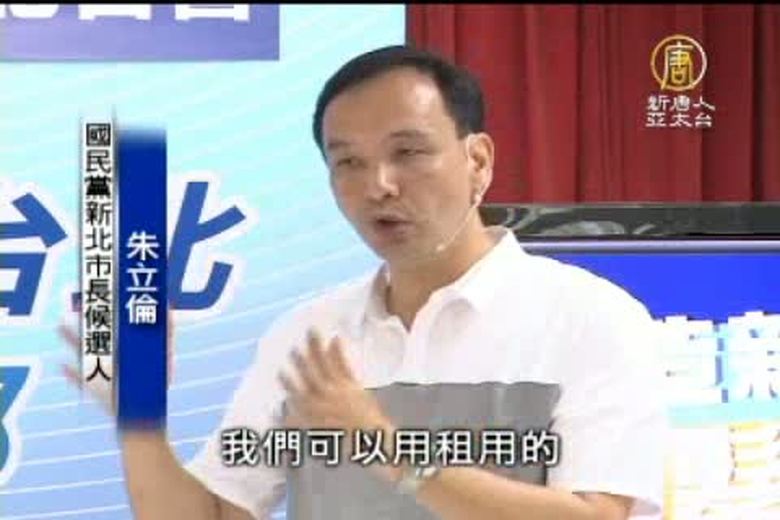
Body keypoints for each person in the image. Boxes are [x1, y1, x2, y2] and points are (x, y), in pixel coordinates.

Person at [61, 45, 668, 519]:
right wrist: (138, 416)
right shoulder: (309, 337)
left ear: (478, 160)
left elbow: (595, 515)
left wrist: (387, 448)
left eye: (408, 152)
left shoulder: (590, 317)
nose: (378, 184)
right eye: (348, 161)